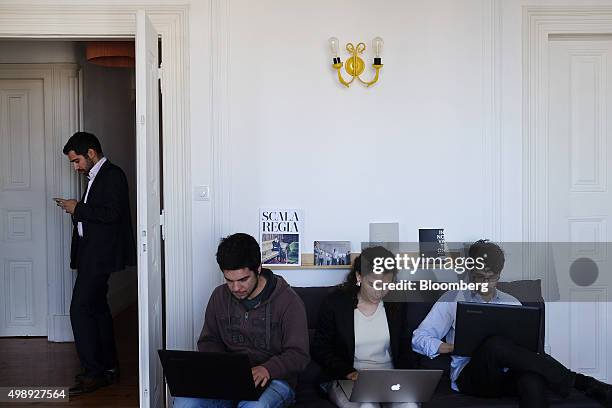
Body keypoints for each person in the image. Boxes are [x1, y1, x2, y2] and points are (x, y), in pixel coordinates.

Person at [412, 240, 612, 408]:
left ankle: (576, 383)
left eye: (490, 278)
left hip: (505, 378)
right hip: (472, 378)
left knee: (531, 378)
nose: (483, 283)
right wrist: (455, 347)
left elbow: (527, 351)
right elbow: (418, 339)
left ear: (499, 275)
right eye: (478, 277)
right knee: (495, 344)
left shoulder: (512, 303)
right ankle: (581, 382)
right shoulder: (453, 299)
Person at [174, 233, 310, 408]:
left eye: (243, 280)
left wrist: (267, 369)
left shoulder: (288, 301)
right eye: (229, 281)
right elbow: (208, 341)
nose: (236, 288)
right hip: (229, 379)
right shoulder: (219, 296)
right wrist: (223, 368)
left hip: (275, 380)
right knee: (184, 403)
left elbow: (299, 355)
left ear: (258, 269)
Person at [54, 131, 135, 396]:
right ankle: (109, 367)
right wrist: (75, 209)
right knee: (98, 310)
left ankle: (93, 373)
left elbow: (112, 214)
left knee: (79, 310)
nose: (75, 167)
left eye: (76, 160)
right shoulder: (97, 176)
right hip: (92, 255)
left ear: (91, 153)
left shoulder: (112, 175)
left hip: (100, 257)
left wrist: (76, 207)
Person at [312, 246, 419, 408]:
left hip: (388, 377)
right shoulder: (335, 303)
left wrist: (407, 378)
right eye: (373, 284)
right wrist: (349, 372)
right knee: (367, 405)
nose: (379, 291)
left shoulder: (396, 303)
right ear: (359, 277)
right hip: (347, 377)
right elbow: (320, 348)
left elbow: (404, 345)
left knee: (409, 405)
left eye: (386, 284)